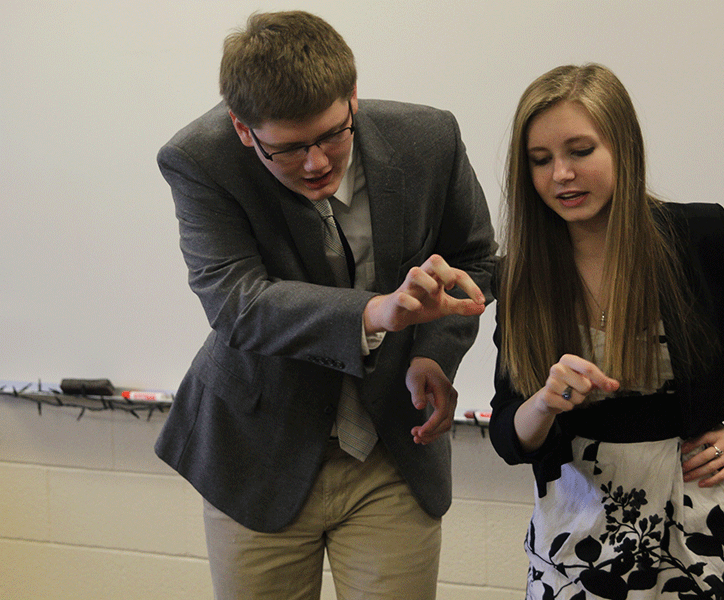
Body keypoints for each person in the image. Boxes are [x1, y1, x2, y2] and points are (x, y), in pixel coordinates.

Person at [154, 10, 495, 600]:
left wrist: (433, 357)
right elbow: (237, 301)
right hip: (258, 452)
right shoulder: (199, 160)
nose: (316, 163)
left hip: (392, 447)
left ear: (353, 97)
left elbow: (476, 260)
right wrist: (374, 314)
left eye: (333, 135)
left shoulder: (428, 140)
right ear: (242, 128)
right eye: (287, 149)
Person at [488, 64, 724, 599]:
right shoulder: (520, 274)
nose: (561, 175)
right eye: (541, 160)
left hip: (693, 517)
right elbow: (510, 434)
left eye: (580, 151)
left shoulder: (695, 235)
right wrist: (545, 403)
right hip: (576, 524)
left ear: (624, 147)